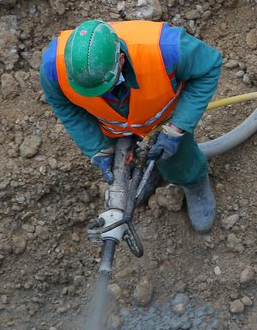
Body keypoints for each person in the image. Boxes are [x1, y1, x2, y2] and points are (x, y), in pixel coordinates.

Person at [40, 19, 222, 232]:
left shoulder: (166, 49)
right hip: (111, 126)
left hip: (164, 123)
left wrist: (178, 127)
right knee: (128, 162)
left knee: (179, 159)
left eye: (104, 86)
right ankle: (146, 172)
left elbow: (210, 67)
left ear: (121, 60)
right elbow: (65, 108)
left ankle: (194, 184)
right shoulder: (53, 69)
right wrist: (97, 149)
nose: (99, 95)